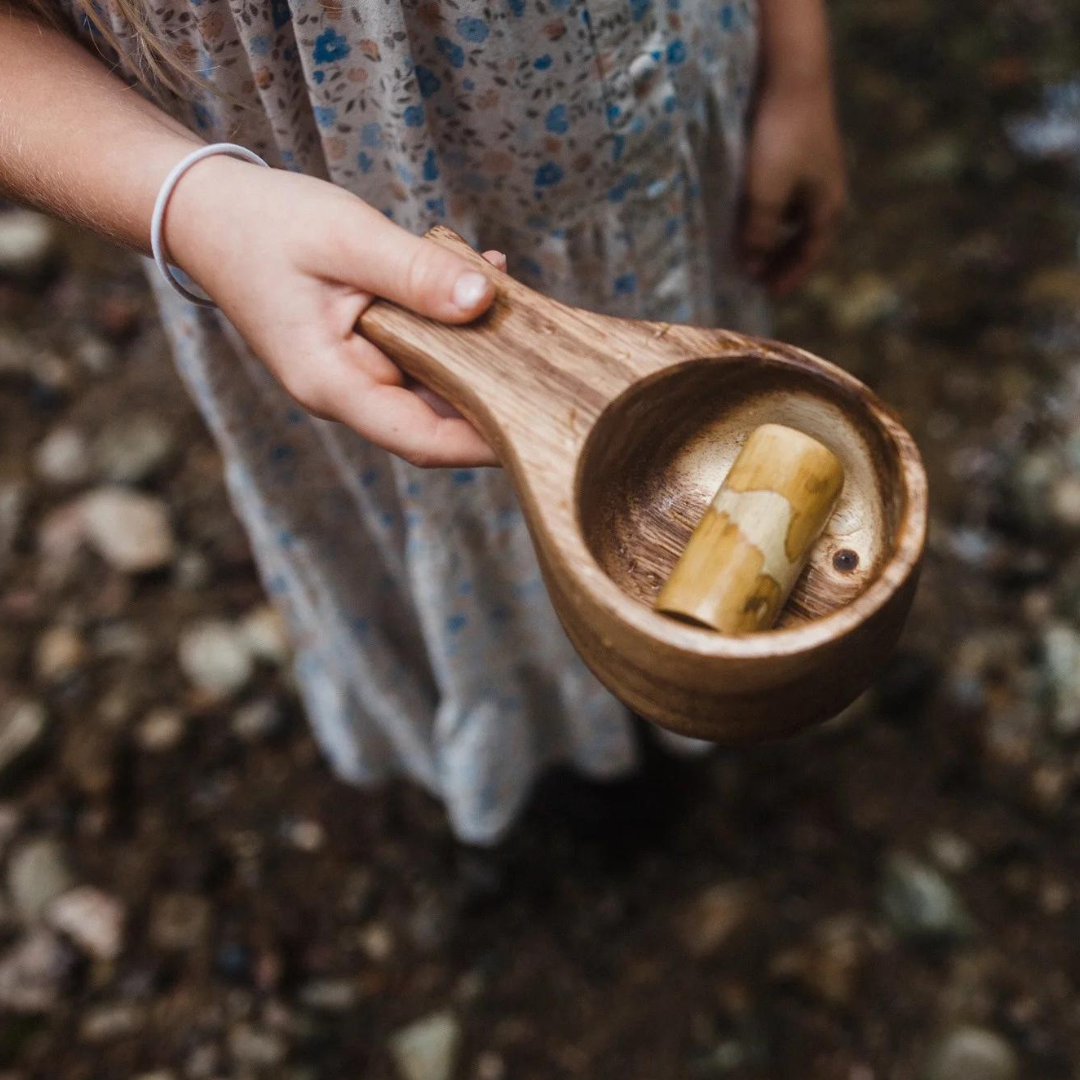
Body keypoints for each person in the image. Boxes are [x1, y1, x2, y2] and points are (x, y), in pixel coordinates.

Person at [0, 0, 846, 844]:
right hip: (312, 227)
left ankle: (659, 713)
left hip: (675, 121)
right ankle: (543, 752)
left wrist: (797, 70)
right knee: (451, 521)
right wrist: (194, 205)